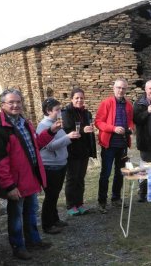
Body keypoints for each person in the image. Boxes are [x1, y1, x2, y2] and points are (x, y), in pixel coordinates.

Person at [0, 89, 61, 260]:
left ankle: (33, 241)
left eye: (18, 102)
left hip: (30, 178)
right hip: (16, 183)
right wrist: (9, 186)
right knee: (15, 218)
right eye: (11, 102)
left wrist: (51, 131)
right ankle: (18, 247)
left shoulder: (24, 123)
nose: (15, 105)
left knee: (31, 212)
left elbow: (35, 145)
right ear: (2, 105)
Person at [37, 98, 81, 234]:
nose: (60, 112)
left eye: (60, 109)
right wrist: (68, 137)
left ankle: (55, 219)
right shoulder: (44, 126)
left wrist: (68, 137)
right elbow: (49, 146)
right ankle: (47, 225)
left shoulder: (56, 123)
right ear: (48, 111)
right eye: (57, 110)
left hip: (60, 163)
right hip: (50, 165)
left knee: (55, 194)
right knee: (50, 195)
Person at [94, 78, 134, 214]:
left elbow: (131, 122)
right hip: (108, 144)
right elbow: (98, 122)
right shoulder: (106, 103)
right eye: (118, 87)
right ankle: (102, 202)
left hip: (122, 144)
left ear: (126, 89)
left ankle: (116, 198)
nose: (121, 90)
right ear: (114, 88)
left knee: (119, 173)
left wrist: (131, 128)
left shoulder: (128, 105)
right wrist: (113, 128)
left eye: (123, 88)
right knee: (105, 174)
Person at [62, 88, 97, 216]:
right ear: (71, 99)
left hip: (84, 150)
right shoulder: (66, 112)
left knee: (80, 178)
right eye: (77, 98)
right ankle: (71, 205)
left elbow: (90, 129)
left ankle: (80, 203)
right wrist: (83, 130)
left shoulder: (86, 113)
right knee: (72, 178)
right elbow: (67, 129)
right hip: (72, 151)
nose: (79, 100)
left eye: (81, 98)